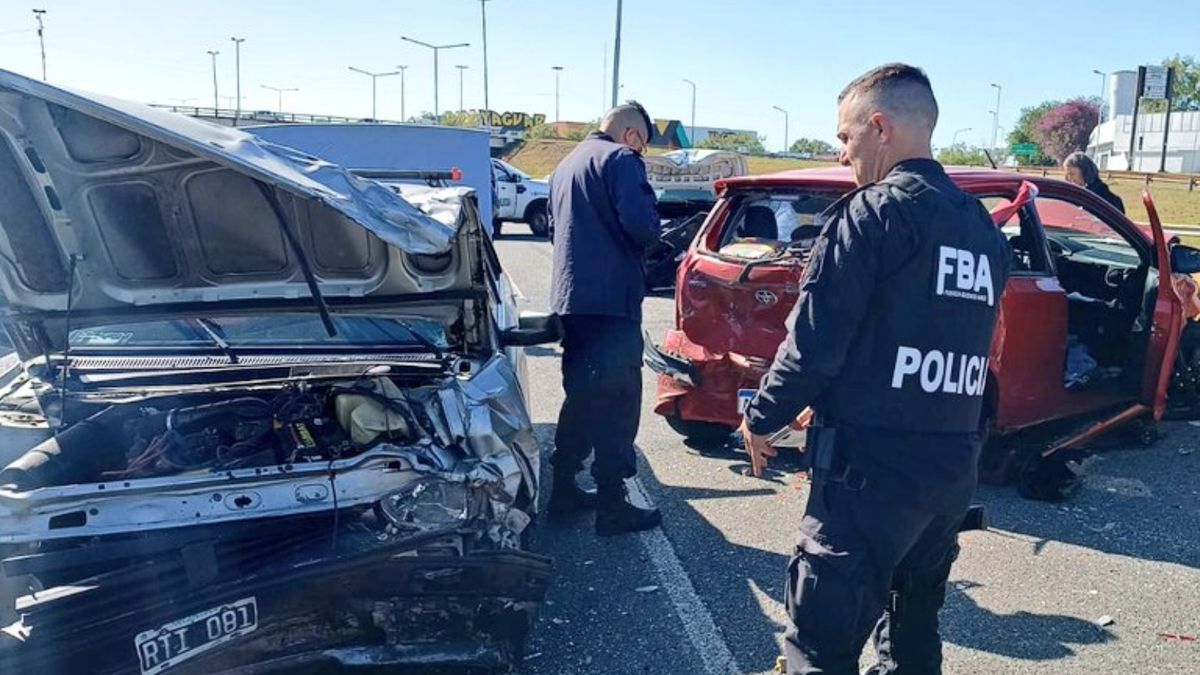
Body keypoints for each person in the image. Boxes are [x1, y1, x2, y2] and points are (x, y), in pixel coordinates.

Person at [740, 64, 1012, 674]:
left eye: (845, 137)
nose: (842, 155)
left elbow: (814, 343)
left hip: (869, 480)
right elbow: (930, 337)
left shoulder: (871, 215)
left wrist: (762, 418)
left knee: (819, 649)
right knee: (913, 632)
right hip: (948, 474)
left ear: (880, 127)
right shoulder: (983, 231)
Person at [546, 102, 663, 536]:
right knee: (617, 400)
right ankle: (613, 503)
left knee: (580, 394)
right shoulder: (621, 160)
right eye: (644, 146)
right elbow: (642, 226)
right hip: (612, 301)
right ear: (633, 135)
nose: (642, 154)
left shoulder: (566, 164)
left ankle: (563, 486)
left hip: (571, 300)